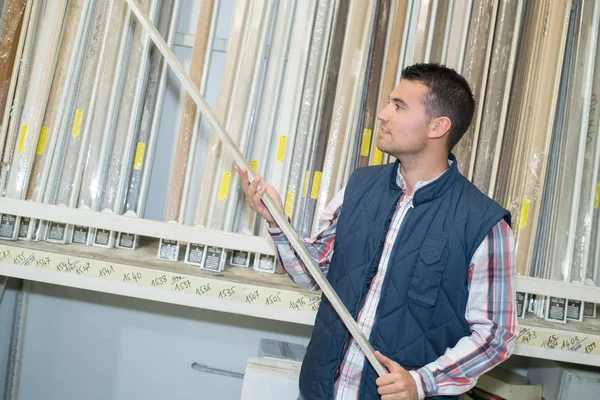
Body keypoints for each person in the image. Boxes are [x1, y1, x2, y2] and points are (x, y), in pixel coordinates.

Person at [235, 63, 517, 400]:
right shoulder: (360, 186)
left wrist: (423, 382)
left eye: (399, 106)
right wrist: (277, 221)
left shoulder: (483, 222)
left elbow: (496, 335)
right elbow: (315, 274)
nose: (383, 114)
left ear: (438, 126)